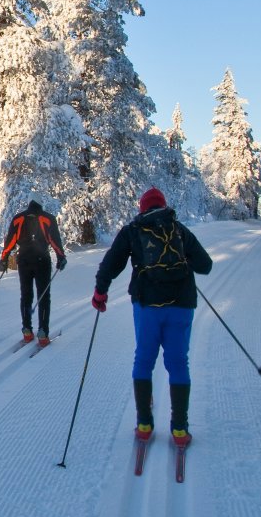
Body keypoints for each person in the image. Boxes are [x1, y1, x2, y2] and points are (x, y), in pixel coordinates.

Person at [91, 187, 213, 449]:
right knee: (178, 362)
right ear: (164, 205)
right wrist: (184, 263)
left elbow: (111, 264)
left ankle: (144, 425)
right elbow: (206, 265)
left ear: (142, 208)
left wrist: (100, 292)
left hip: (147, 305)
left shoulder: (133, 230)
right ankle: (180, 429)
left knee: (144, 359)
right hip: (181, 305)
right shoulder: (178, 229)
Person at [0, 198, 67, 345]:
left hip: (24, 261)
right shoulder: (48, 218)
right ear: (41, 203)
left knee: (26, 295)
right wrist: (61, 257)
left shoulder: (18, 219)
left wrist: (4, 259)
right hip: (42, 261)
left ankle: (27, 330)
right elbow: (54, 240)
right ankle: (43, 334)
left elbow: (10, 241)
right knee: (44, 297)